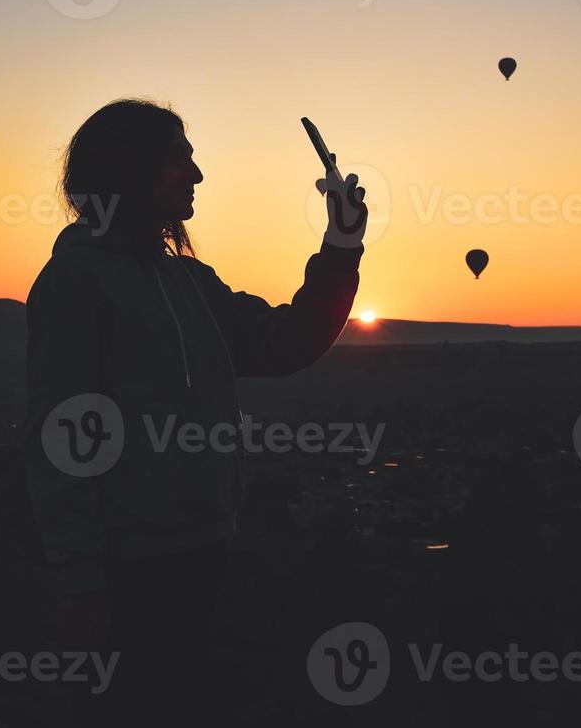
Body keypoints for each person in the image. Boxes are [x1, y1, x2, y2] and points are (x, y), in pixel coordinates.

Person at [24, 98, 367, 725]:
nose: (198, 175)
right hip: (126, 570)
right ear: (133, 170)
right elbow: (62, 437)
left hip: (205, 550)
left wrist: (341, 246)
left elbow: (284, 341)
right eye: (181, 160)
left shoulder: (190, 283)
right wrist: (81, 577)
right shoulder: (76, 283)